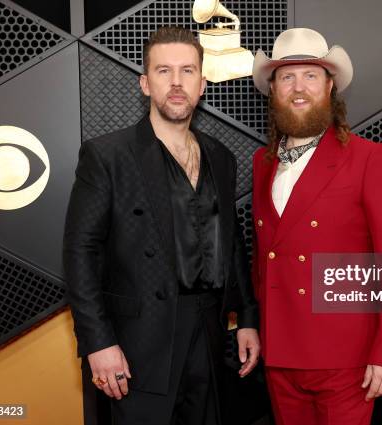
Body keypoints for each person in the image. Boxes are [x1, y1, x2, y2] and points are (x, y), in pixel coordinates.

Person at [63, 26, 260, 425]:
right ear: (144, 82)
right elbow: (79, 253)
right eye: (163, 70)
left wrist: (248, 320)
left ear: (202, 83)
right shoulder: (107, 156)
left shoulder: (220, 156)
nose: (176, 82)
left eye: (187, 71)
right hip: (139, 344)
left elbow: (233, 242)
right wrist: (98, 343)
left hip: (208, 332)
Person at [250, 28, 382, 425]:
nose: (298, 87)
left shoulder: (368, 158)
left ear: (330, 85)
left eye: (310, 75)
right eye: (287, 77)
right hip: (280, 356)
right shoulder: (262, 162)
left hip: (347, 361)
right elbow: (261, 258)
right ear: (273, 89)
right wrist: (253, 325)